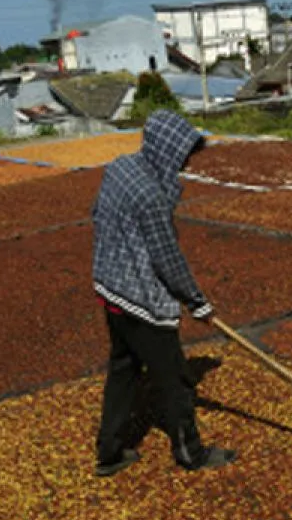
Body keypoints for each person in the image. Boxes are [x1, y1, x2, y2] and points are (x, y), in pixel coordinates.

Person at [91, 110, 237, 477]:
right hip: (140, 301)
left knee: (124, 370)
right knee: (176, 381)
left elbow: (97, 213)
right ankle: (191, 453)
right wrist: (197, 302)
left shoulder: (120, 167)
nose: (187, 162)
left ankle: (109, 452)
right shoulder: (151, 195)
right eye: (184, 154)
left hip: (110, 289)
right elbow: (167, 258)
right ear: (167, 150)